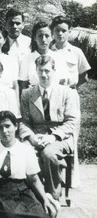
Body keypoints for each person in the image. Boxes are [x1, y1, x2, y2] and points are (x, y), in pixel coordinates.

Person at [0, 111, 58, 218]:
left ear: (15, 126)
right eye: (0, 127)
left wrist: (44, 201)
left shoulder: (26, 150)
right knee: (9, 217)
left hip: (22, 190)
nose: (4, 131)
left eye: (8, 126)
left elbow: (34, 179)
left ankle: (48, 200)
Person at [19, 55, 79, 201]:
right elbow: (24, 122)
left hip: (60, 136)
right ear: (36, 71)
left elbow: (72, 121)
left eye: (47, 71)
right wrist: (32, 138)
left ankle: (53, 195)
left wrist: (53, 137)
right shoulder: (27, 94)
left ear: (54, 71)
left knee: (49, 153)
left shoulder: (67, 93)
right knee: (23, 152)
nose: (44, 75)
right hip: (36, 135)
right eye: (40, 71)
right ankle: (32, 195)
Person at [50, 15, 91, 187]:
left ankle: (72, 178)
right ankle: (54, 173)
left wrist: (72, 88)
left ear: (69, 32)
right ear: (52, 31)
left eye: (64, 31)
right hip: (52, 96)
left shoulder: (76, 52)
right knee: (53, 132)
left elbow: (85, 76)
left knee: (71, 135)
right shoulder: (48, 50)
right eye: (57, 30)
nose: (60, 34)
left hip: (70, 95)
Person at [19, 21, 68, 89]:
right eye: (40, 36)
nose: (43, 39)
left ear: (52, 37)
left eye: (47, 36)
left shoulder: (59, 58)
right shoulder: (27, 58)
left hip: (56, 96)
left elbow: (63, 82)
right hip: (34, 96)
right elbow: (23, 84)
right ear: (34, 38)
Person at [5, 8, 31, 90]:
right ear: (6, 24)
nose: (14, 26)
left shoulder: (30, 43)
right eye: (11, 23)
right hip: (7, 86)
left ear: (23, 25)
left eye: (18, 23)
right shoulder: (1, 43)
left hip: (26, 87)